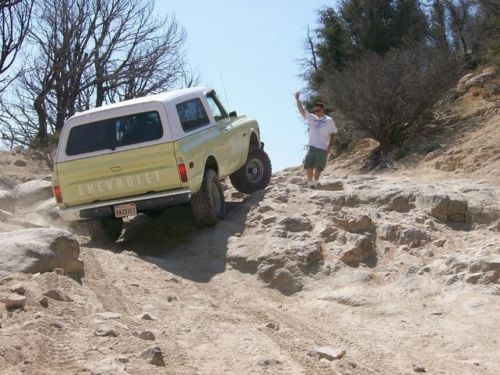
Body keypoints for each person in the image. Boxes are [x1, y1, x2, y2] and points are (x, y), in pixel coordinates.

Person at [295, 92, 337, 189]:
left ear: (323, 109)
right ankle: (310, 184)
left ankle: (315, 183)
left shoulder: (329, 120)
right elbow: (302, 111)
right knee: (309, 165)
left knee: (318, 167)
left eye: (318, 110)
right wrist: (297, 100)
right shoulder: (312, 118)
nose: (316, 112)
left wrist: (330, 145)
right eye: (315, 110)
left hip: (323, 147)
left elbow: (333, 133)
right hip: (312, 146)